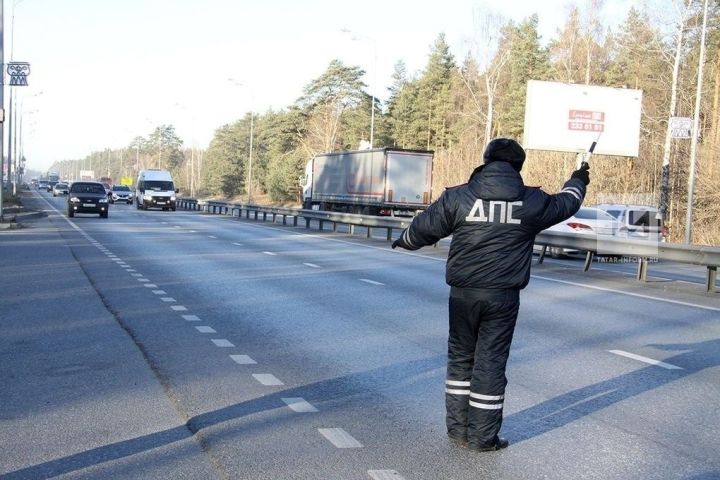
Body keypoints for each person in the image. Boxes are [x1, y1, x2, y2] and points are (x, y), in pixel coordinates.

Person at [392, 138, 590, 452]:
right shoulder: (532, 201)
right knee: (491, 364)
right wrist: (579, 178)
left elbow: (423, 230)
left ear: (485, 161)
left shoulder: (459, 197)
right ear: (519, 166)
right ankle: (483, 438)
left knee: (460, 361)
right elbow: (567, 202)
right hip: (503, 298)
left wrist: (403, 239)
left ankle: (458, 431)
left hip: (463, 295)